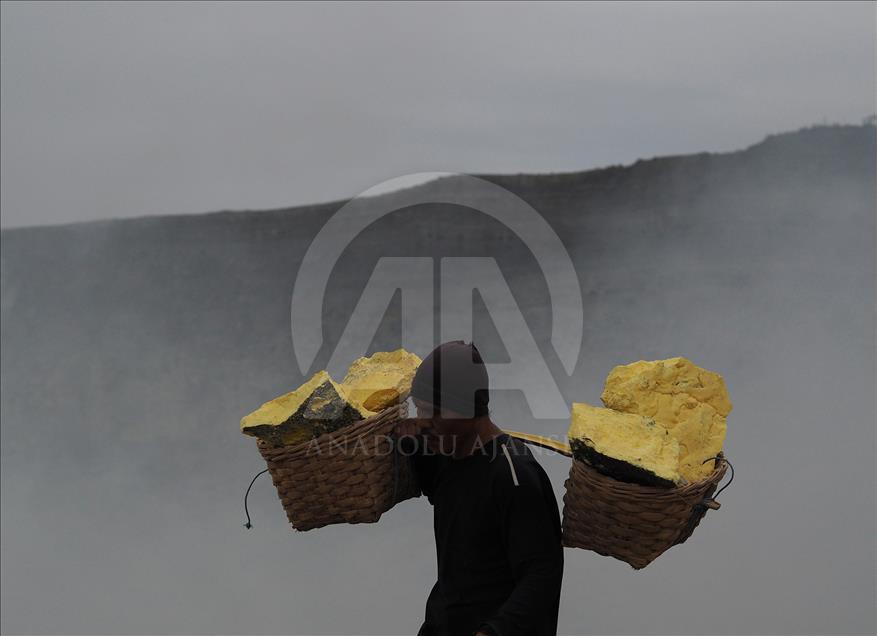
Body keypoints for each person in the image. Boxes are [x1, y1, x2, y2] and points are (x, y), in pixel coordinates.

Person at [395, 340, 564, 636]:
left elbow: (542, 575)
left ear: (468, 409)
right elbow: (420, 466)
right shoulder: (445, 453)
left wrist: (493, 632)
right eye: (420, 410)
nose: (424, 422)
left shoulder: (513, 474)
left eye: (435, 413)